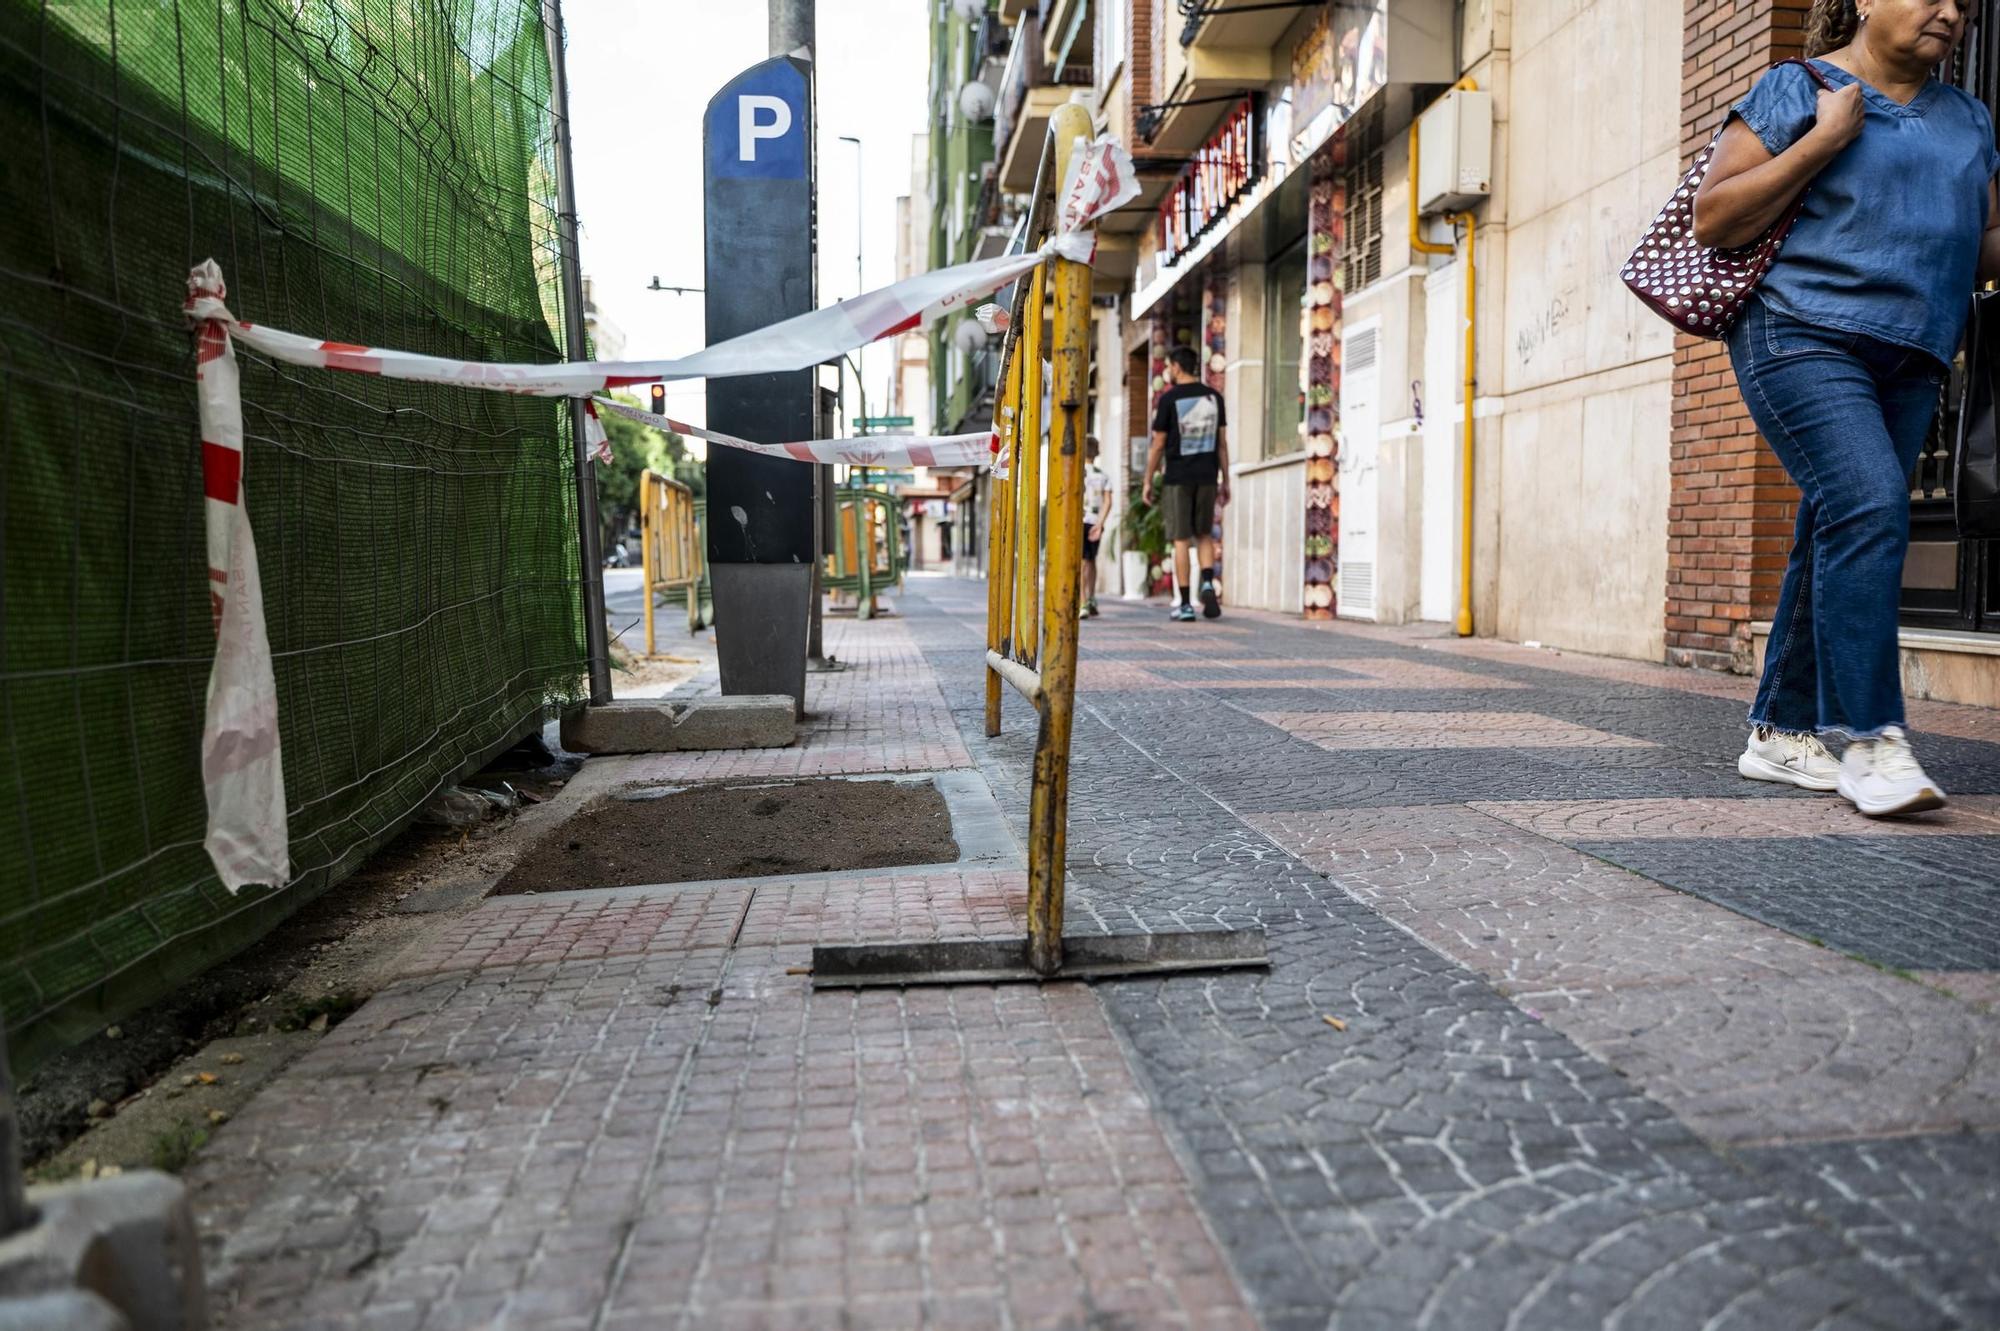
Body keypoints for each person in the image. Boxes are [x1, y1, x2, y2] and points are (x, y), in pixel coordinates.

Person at [1692, 0, 2000, 816]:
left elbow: (1986, 241)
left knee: (1832, 520)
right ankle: (1871, 739)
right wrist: (1827, 138)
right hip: (1798, 334)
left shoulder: (1968, 119)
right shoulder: (1800, 89)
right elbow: (1715, 216)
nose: (1950, 12)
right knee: (1866, 503)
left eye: (1964, 4)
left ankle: (1779, 732)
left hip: (1912, 352)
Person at [1142, 345, 1230, 621]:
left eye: (1169, 366)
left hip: (1178, 477)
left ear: (1177, 367)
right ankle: (1206, 582)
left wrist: (1147, 479)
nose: (1168, 371)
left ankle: (1185, 603)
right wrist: (1225, 479)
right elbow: (1222, 444)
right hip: (1207, 475)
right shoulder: (1214, 397)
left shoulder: (1169, 399)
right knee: (1203, 534)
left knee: (1181, 539)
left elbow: (1158, 444)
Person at [1080, 436, 1112, 618]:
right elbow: (1108, 502)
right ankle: (1091, 597)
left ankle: (1083, 601)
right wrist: (1100, 523)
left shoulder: (1076, 473)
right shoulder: (1103, 475)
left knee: (1081, 562)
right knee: (1091, 560)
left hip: (1080, 522)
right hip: (1095, 522)